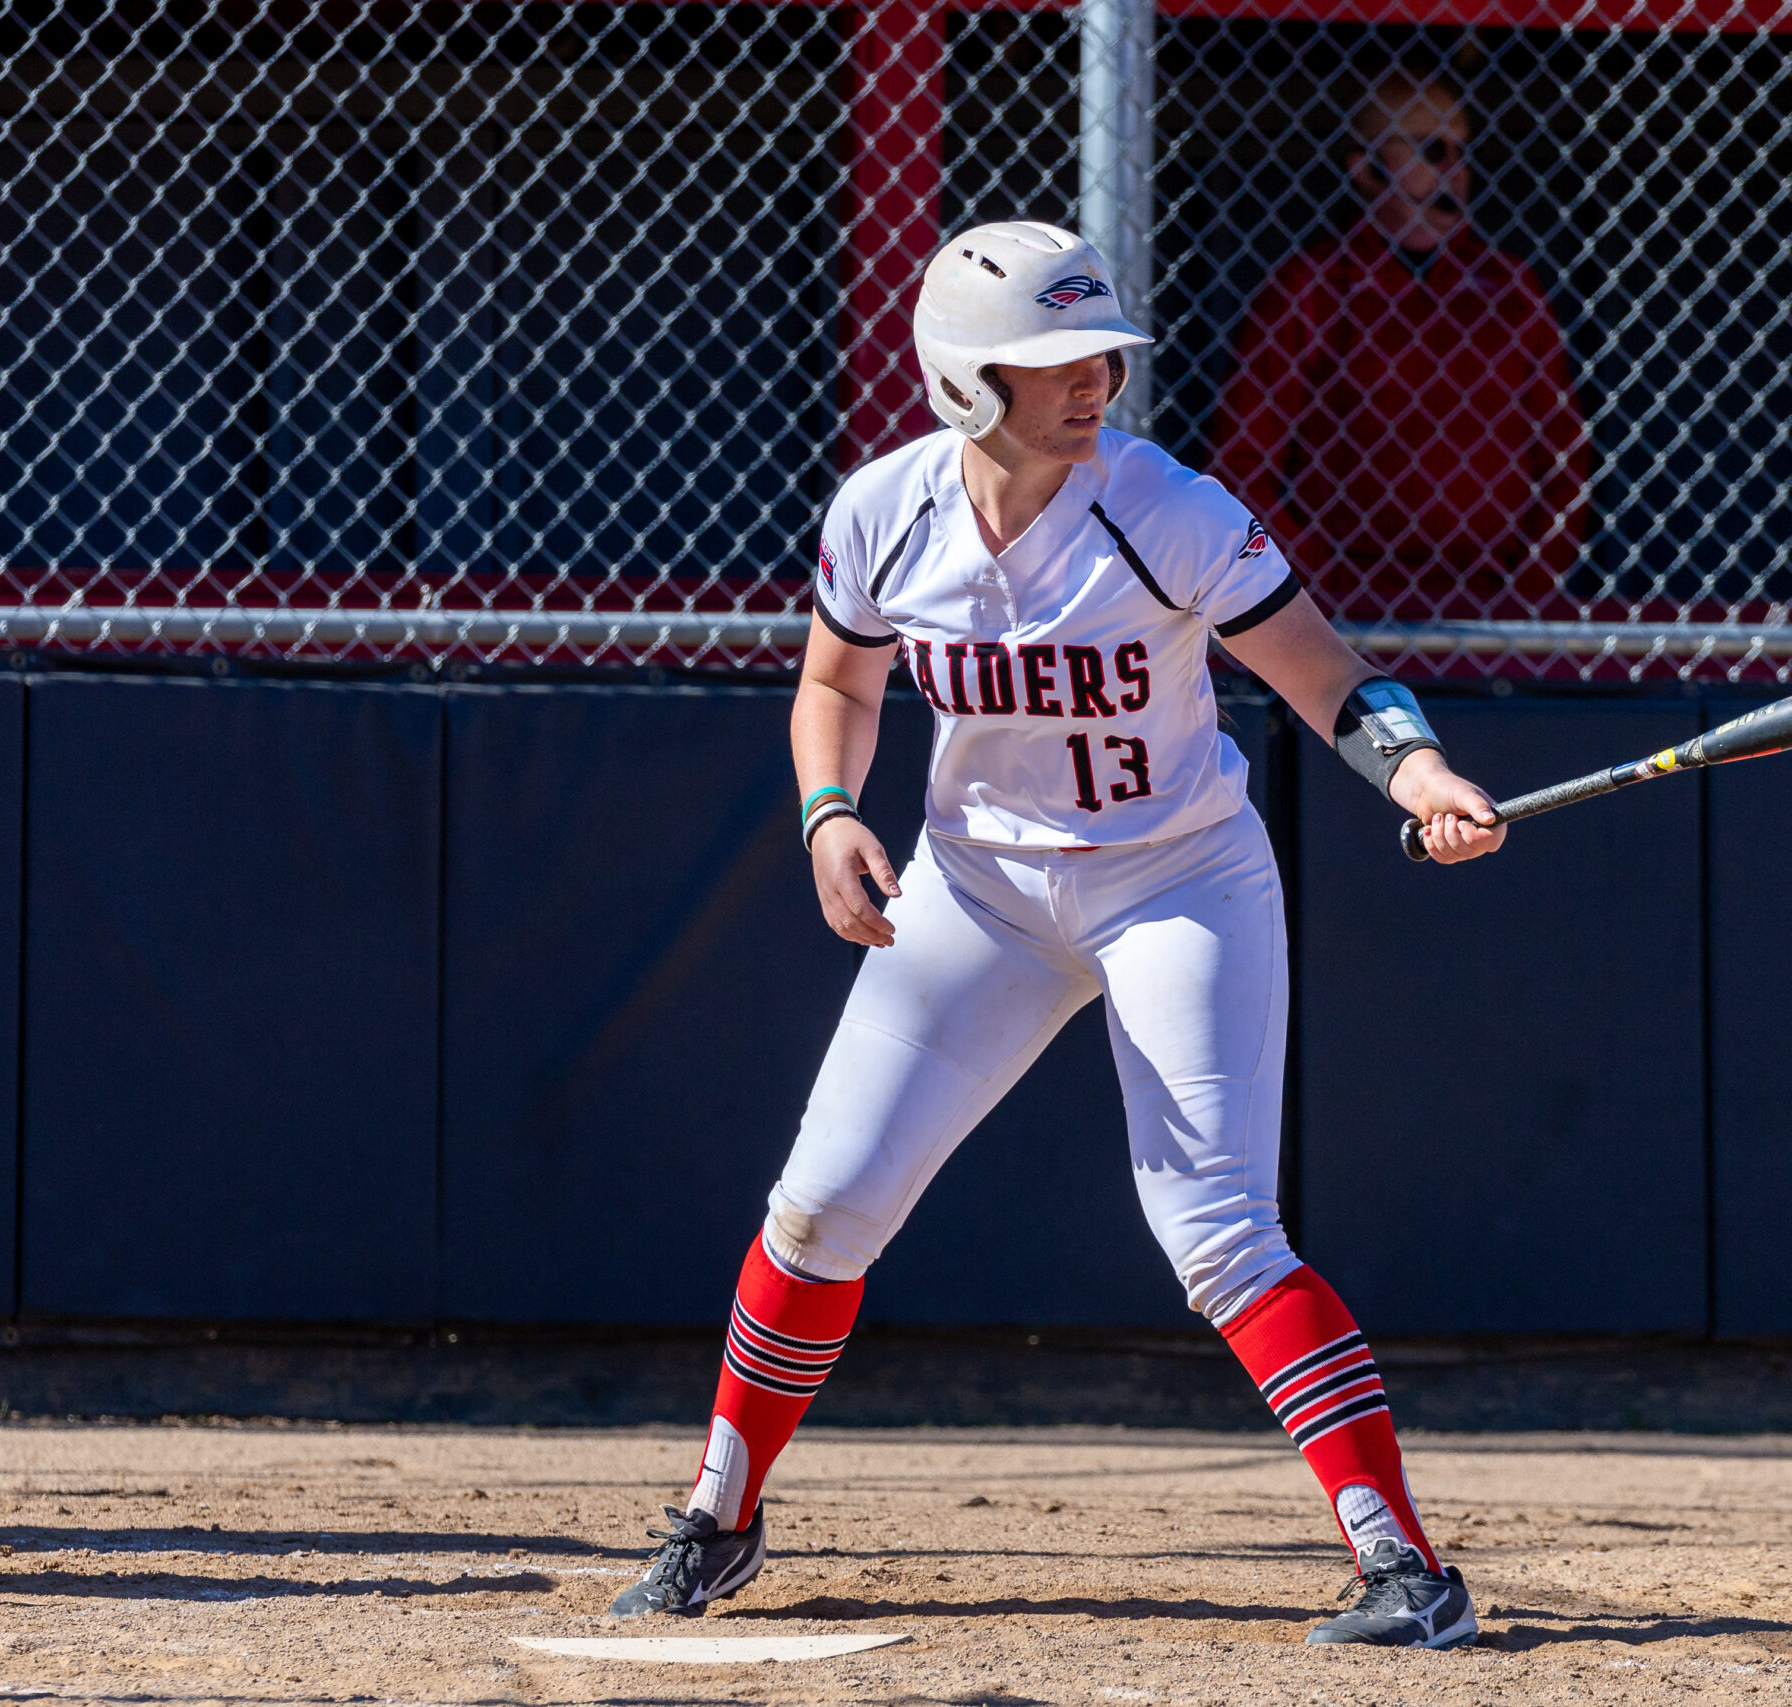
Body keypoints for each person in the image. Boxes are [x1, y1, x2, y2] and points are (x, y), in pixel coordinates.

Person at [607, 220, 1505, 1650]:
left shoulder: (1170, 508)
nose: (1092, 383)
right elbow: (834, 682)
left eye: (1100, 355)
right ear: (969, 381)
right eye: (1051, 362)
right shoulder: (884, 510)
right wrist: (831, 811)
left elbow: (1330, 676)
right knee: (823, 1204)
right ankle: (720, 1514)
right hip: (980, 892)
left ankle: (1404, 1563)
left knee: (1218, 1233)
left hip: (1177, 881)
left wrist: (1419, 769)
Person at [1207, 71, 1589, 624]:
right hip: (1352, 606)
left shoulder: (1510, 287)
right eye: (1432, 149)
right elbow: (1242, 460)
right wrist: (1323, 586)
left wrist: (1530, 585)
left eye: (1462, 150)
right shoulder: (1315, 286)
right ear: (1365, 167)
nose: (1454, 170)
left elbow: (1565, 452)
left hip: (1495, 598)